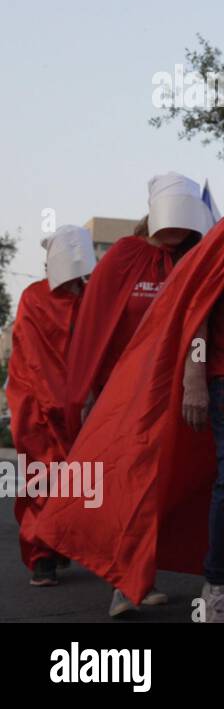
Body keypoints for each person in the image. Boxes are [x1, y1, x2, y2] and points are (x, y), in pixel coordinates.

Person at [35, 152, 224, 622]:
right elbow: (101, 329)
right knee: (200, 477)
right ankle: (138, 576)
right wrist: (100, 391)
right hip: (167, 391)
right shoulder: (170, 251)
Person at [64, 173, 208, 438]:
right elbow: (94, 326)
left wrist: (196, 377)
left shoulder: (196, 261)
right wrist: (88, 390)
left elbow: (199, 329)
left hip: (171, 391)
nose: (177, 226)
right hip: (117, 389)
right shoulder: (123, 255)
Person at [7, 225, 94, 587]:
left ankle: (59, 542)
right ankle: (42, 555)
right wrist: (56, 401)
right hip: (36, 405)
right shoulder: (33, 297)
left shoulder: (91, 297)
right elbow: (33, 358)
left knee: (79, 482)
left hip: (78, 403)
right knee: (42, 477)